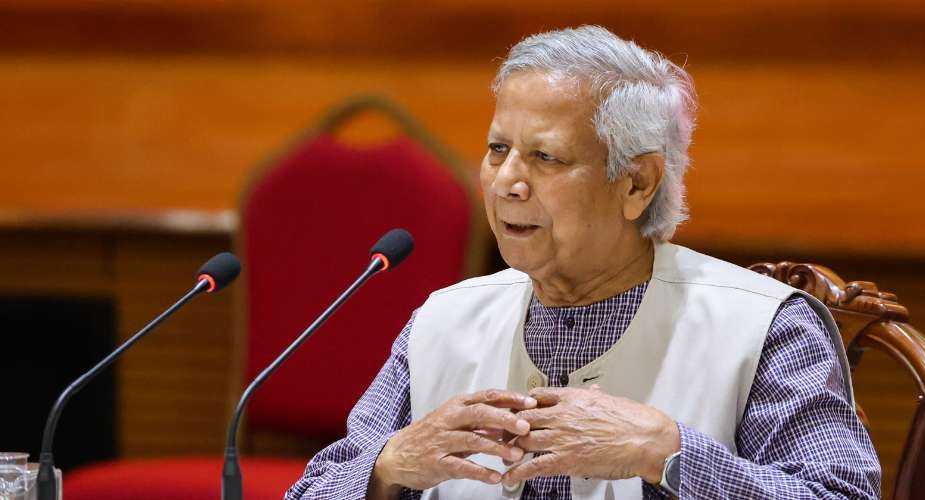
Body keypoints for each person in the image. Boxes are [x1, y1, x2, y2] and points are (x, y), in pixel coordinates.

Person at [286, 25, 881, 499]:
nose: (507, 183)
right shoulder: (446, 321)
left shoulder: (762, 327)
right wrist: (387, 469)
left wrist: (668, 453)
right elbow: (313, 490)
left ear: (637, 183)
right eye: (499, 150)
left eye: (545, 157)